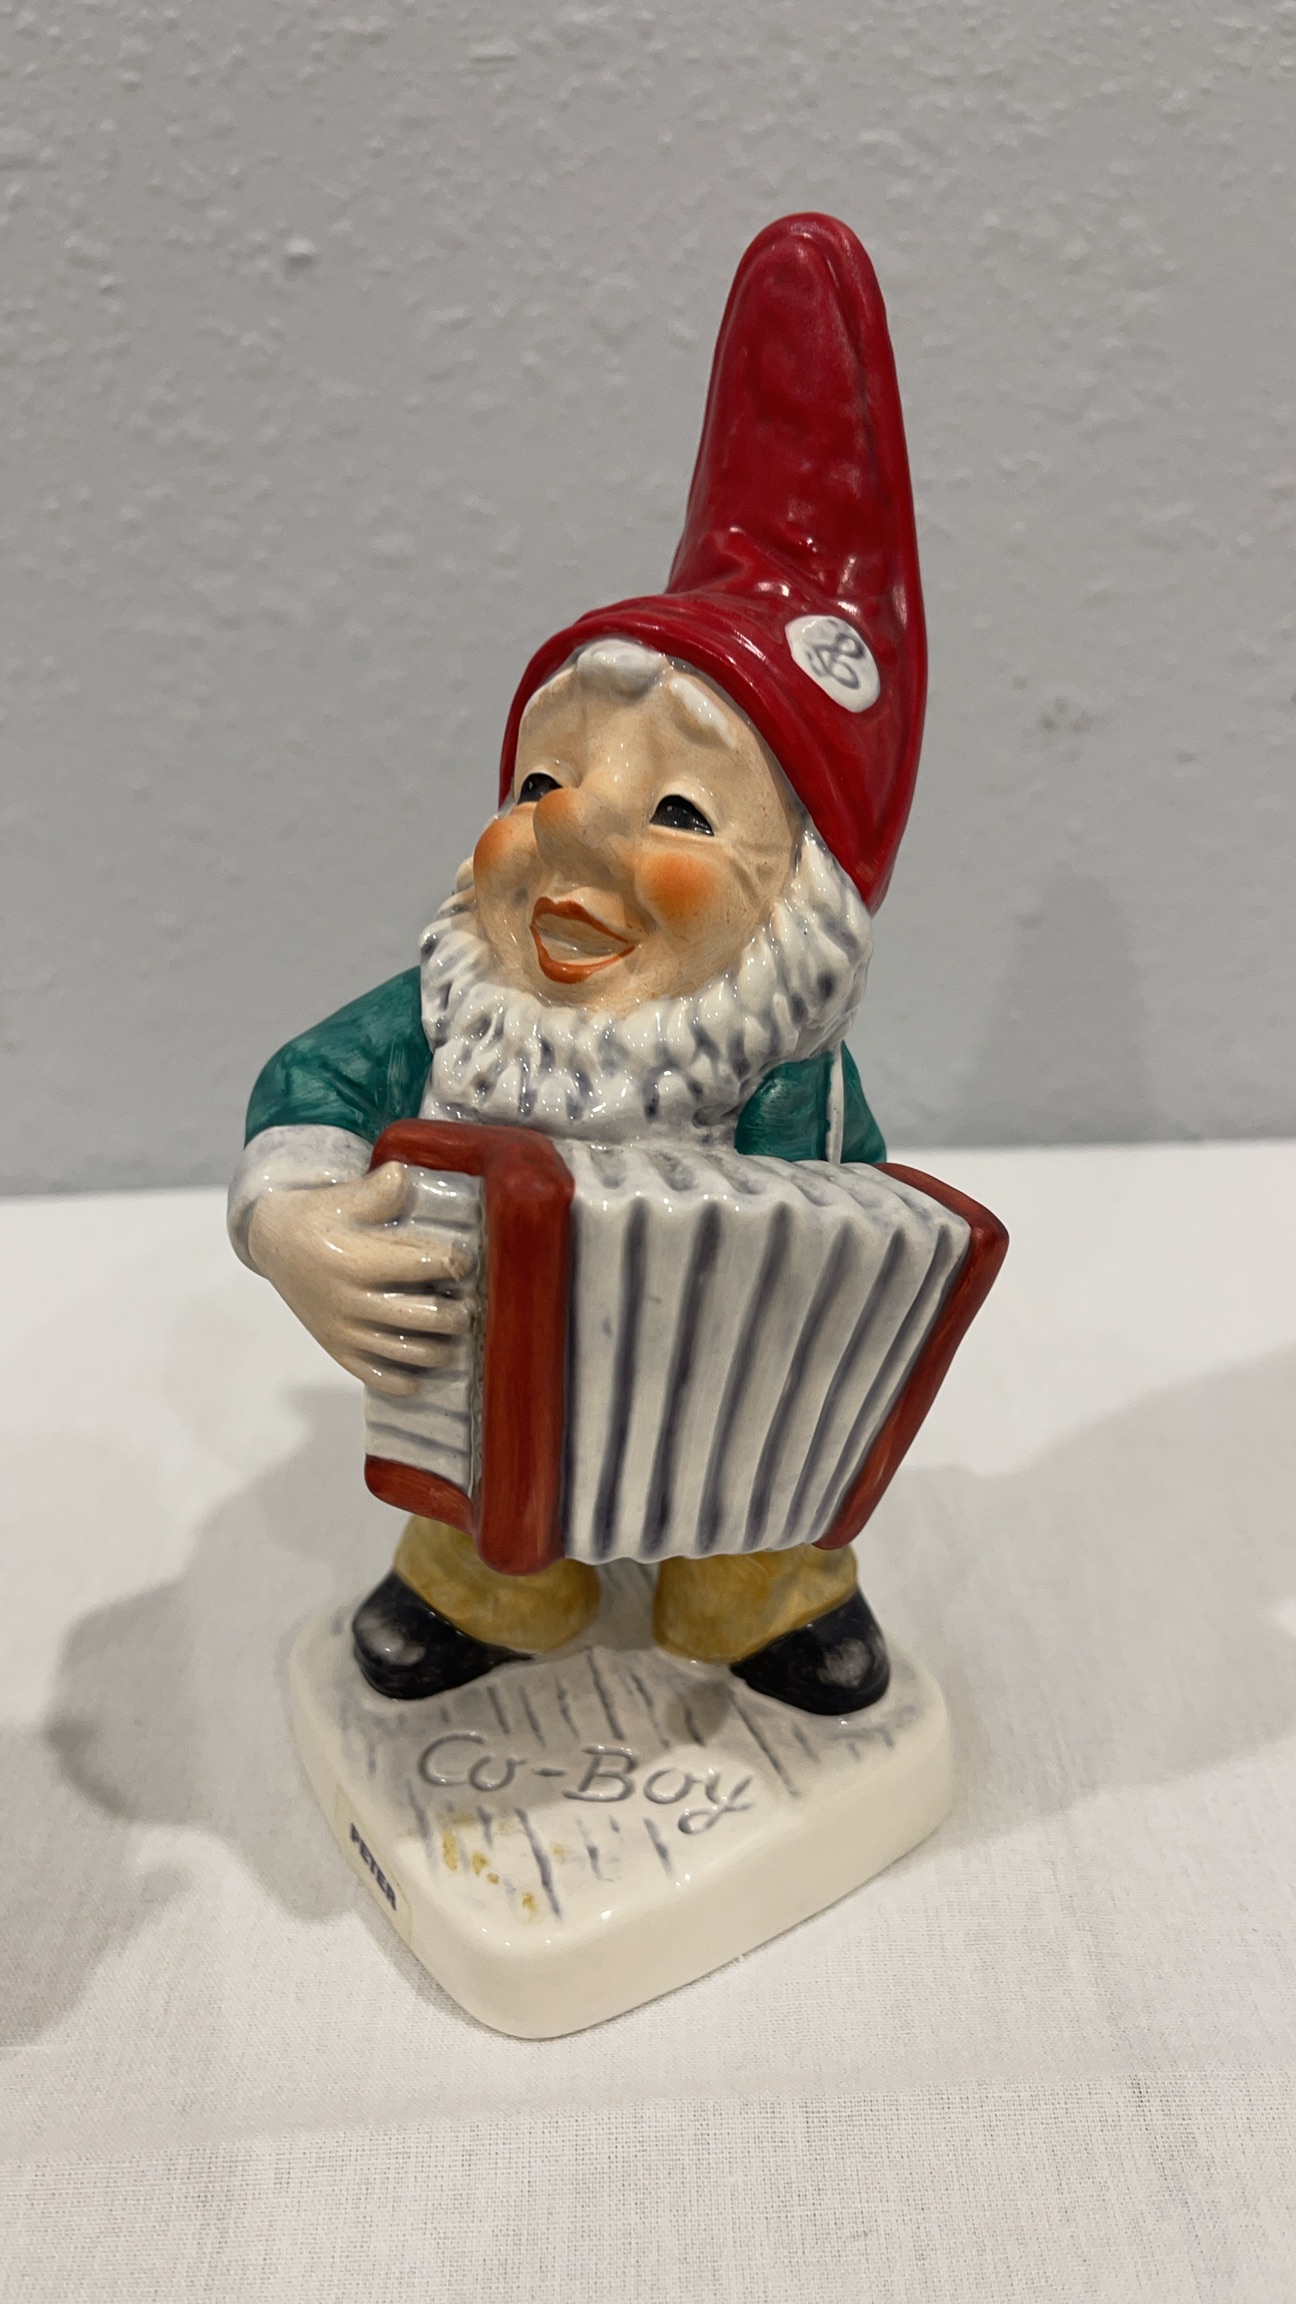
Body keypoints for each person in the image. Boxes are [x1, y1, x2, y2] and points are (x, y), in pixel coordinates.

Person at [228, 213, 928, 1715]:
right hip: (484, 1385)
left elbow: (850, 1259)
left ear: (798, 914)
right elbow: (311, 1087)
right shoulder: (452, 1013)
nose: (568, 834)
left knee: (765, 1468)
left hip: (716, 1408)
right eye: (542, 783)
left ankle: (751, 1584)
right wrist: (293, 1225)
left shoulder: (785, 1075)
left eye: (677, 811)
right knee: (477, 1476)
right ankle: (489, 1583)